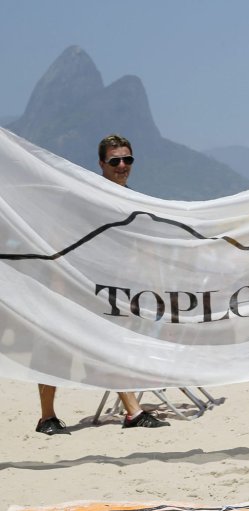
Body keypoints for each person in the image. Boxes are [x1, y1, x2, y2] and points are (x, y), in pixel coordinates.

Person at [35, 135, 170, 435]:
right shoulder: (85, 195)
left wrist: (156, 285)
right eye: (115, 161)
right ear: (101, 164)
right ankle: (46, 418)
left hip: (112, 290)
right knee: (56, 349)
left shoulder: (132, 199)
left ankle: (132, 412)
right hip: (75, 283)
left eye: (127, 160)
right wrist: (58, 284)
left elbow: (141, 247)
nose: (122, 166)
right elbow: (58, 238)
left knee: (113, 345)